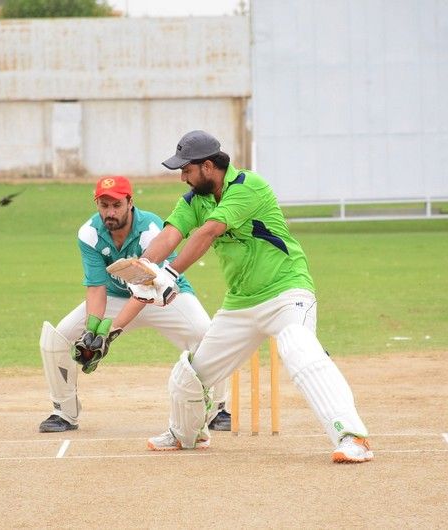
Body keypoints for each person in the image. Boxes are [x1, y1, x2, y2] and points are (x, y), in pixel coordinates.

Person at [126, 131, 372, 463]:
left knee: (298, 348)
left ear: (208, 167)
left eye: (187, 170)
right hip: (240, 303)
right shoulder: (194, 200)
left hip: (286, 291)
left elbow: (209, 231)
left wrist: (170, 273)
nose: (183, 177)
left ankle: (352, 437)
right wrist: (145, 270)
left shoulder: (248, 186)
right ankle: (186, 434)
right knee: (191, 376)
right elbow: (171, 234)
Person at [38, 175, 231, 433]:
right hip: (116, 297)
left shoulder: (150, 229)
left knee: (206, 334)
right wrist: (93, 331)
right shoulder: (89, 233)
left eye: (117, 205)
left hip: (164, 296)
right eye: (104, 205)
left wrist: (111, 331)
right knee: (58, 338)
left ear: (130, 202)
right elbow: (96, 287)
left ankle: (218, 410)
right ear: (96, 204)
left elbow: (147, 289)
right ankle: (64, 412)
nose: (110, 212)